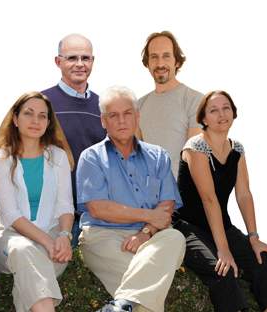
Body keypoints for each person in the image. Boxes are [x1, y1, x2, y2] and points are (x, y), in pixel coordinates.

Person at [174, 90, 267, 311]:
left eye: (226, 108)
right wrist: (223, 249)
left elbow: (244, 194)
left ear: (234, 113)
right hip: (188, 226)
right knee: (223, 269)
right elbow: (209, 200)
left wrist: (254, 238)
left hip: (222, 225)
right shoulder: (195, 147)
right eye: (214, 110)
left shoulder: (236, 149)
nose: (221, 114)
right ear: (203, 119)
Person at [77, 86, 185, 312]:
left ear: (137, 116)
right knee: (145, 297)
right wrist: (149, 215)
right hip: (102, 237)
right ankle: (124, 305)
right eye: (113, 115)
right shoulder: (91, 157)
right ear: (103, 121)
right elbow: (98, 208)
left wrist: (145, 232)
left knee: (175, 237)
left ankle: (117, 307)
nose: (121, 120)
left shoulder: (159, 156)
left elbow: (166, 207)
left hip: (151, 237)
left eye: (127, 113)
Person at [0, 91, 74, 312]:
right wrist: (47, 242)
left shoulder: (58, 157)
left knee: (30, 272)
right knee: (24, 250)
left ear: (48, 122)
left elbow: (65, 205)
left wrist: (64, 236)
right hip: (9, 239)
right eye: (28, 113)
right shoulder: (0, 161)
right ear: (15, 119)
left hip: (54, 238)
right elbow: (11, 215)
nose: (36, 121)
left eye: (42, 116)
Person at [42, 33, 106, 247]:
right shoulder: (41, 105)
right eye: (72, 58)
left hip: (97, 214)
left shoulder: (105, 107)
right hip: (53, 216)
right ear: (58, 62)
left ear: (93, 62)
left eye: (85, 58)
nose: (80, 64)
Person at [138, 31, 203, 177]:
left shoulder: (195, 101)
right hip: (148, 196)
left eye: (166, 56)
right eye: (154, 57)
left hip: (182, 195)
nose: (160, 64)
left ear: (177, 61)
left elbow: (195, 160)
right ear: (147, 63)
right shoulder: (138, 106)